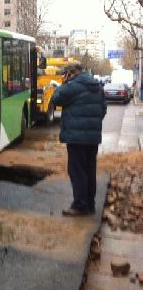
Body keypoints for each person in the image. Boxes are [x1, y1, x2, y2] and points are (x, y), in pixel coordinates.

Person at [51, 63, 107, 217]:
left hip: (76, 138)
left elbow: (56, 99)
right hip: (92, 138)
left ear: (71, 73)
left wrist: (63, 84)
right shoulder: (97, 86)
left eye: (65, 74)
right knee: (89, 171)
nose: (64, 76)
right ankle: (90, 204)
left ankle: (80, 206)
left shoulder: (73, 86)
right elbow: (103, 109)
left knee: (77, 172)